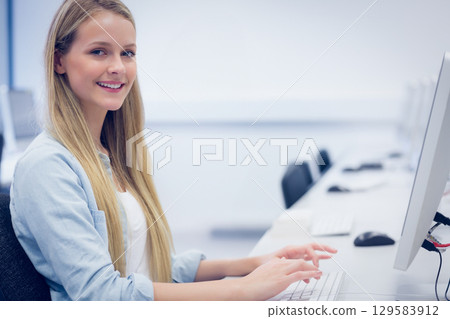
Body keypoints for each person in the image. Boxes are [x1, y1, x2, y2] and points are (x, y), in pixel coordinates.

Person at [10, 0, 336, 301]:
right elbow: (103, 294)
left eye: (128, 53)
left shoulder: (117, 152)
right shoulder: (48, 166)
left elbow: (154, 267)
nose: (118, 67)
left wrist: (252, 264)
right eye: (99, 52)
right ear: (59, 61)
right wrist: (242, 290)